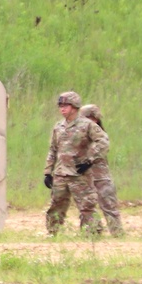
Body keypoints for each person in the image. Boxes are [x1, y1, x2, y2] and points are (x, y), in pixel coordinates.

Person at [43, 91, 107, 236]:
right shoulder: (58, 127)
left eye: (66, 105)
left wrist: (90, 160)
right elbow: (53, 149)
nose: (62, 109)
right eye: (60, 105)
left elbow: (103, 141)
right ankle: (53, 233)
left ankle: (92, 234)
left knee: (87, 206)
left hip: (80, 174)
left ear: (75, 107)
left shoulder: (87, 125)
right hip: (61, 174)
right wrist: (48, 172)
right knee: (56, 206)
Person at [79, 104, 124, 237]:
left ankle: (117, 233)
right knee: (86, 206)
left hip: (101, 176)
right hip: (86, 176)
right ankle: (91, 233)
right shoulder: (81, 133)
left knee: (109, 205)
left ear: (94, 119)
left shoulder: (98, 134)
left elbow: (102, 147)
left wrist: (88, 160)